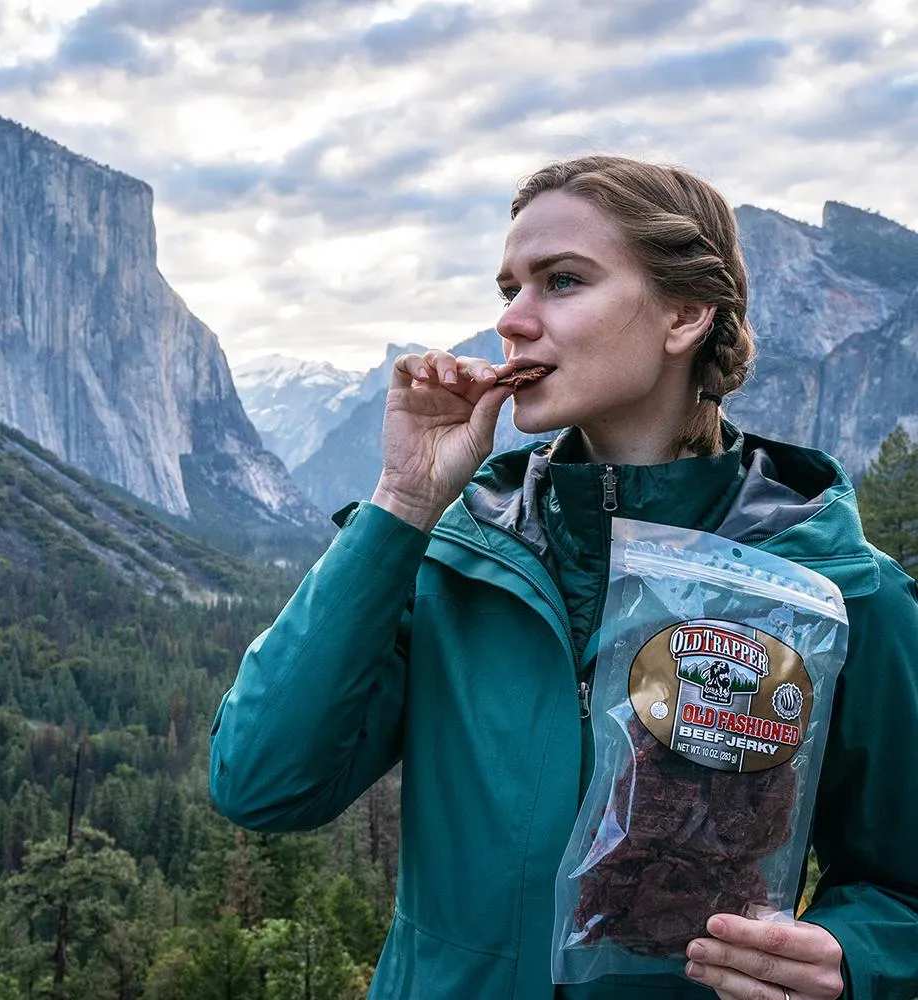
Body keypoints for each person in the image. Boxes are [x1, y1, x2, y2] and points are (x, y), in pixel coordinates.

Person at [208, 155, 918, 999]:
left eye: (562, 281)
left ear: (686, 314)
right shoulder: (457, 557)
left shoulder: (836, 591)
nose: (512, 321)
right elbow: (260, 782)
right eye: (508, 288)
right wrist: (402, 502)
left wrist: (854, 959)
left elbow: (902, 884)